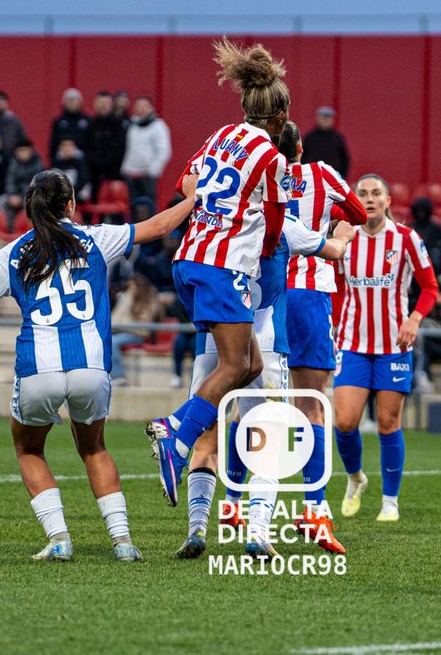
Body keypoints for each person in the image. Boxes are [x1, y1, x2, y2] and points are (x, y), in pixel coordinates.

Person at [0, 169, 194, 561]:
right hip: (91, 367)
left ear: (30, 209)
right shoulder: (97, 238)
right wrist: (192, 198)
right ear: (70, 204)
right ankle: (123, 542)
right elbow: (156, 227)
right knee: (94, 448)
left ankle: (60, 538)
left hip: (38, 368)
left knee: (29, 449)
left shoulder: (14, 252)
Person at [178, 124, 356, 560]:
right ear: (294, 152)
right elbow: (334, 247)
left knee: (210, 431)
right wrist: (343, 237)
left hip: (214, 336)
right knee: (269, 435)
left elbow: (186, 183)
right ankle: (258, 531)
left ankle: (198, 528)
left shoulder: (223, 215)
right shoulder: (281, 219)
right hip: (264, 337)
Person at [145, 39, 292, 509]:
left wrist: (214, 205)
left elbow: (183, 182)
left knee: (251, 364)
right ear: (279, 118)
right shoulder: (273, 156)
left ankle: (180, 427)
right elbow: (272, 221)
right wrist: (263, 254)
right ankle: (177, 437)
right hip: (224, 266)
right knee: (234, 367)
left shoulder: (220, 136)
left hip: (188, 258)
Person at [329, 175, 437, 524]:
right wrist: (333, 323)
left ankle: (390, 501)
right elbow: (338, 288)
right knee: (345, 422)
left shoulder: (406, 239)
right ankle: (355, 477)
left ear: (388, 201)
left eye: (376, 193)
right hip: (352, 343)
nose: (370, 199)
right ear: (355, 201)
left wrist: (415, 320)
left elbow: (430, 287)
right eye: (363, 194)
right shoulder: (344, 238)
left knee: (389, 424)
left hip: (394, 346)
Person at [281, 134, 365, 532]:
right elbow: (358, 213)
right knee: (311, 404)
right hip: (310, 292)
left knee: (251, 402)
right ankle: (313, 508)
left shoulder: (258, 176)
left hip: (264, 294)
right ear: (300, 148)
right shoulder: (320, 173)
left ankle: (235, 504)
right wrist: (334, 230)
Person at [120, 95, 171, 203]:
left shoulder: (158, 126)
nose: (141, 109)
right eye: (139, 106)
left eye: (145, 106)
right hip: (132, 175)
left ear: (151, 108)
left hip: (148, 175)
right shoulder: (132, 126)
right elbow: (130, 149)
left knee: (148, 206)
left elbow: (164, 151)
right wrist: (126, 168)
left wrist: (153, 170)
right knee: (133, 206)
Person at [86, 91, 129, 186]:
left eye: (106, 103)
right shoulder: (91, 124)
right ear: (95, 105)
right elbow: (86, 146)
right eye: (101, 103)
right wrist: (95, 162)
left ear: (111, 105)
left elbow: (121, 148)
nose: (103, 106)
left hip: (114, 171)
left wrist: (106, 162)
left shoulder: (117, 124)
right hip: (94, 171)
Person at [302, 106, 351, 180]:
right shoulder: (309, 138)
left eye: (328, 118)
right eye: (323, 117)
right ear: (317, 118)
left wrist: (342, 176)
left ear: (333, 120)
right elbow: (302, 156)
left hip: (333, 177)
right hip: (312, 177)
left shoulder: (338, 138)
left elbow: (345, 159)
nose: (325, 120)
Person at [49, 88, 91, 155]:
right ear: (64, 102)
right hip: (62, 158)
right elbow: (53, 143)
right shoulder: (58, 121)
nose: (72, 102)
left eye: (74, 100)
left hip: (83, 160)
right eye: (69, 100)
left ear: (80, 102)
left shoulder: (87, 120)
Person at [50, 139, 92, 203]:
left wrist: (71, 192)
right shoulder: (55, 163)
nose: (67, 148)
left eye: (70, 145)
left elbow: (83, 180)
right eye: (64, 145)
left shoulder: (80, 162)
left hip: (77, 194)